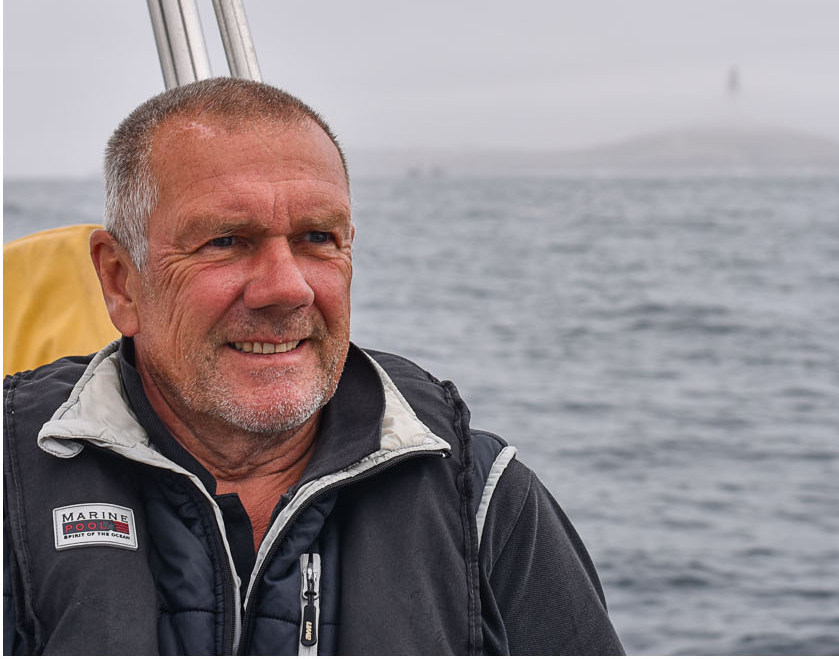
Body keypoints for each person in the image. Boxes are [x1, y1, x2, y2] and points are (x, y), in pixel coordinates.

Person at [5, 79, 622, 654]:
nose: (287, 288)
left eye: (318, 239)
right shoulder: (13, 490)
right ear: (120, 281)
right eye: (225, 241)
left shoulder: (482, 503)